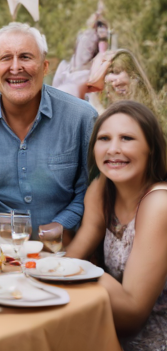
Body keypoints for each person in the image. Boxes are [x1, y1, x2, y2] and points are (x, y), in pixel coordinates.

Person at [0, 22, 98, 238]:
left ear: (45, 67)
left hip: (67, 249)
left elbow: (93, 189)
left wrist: (61, 225)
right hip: (0, 252)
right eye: (5, 58)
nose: (15, 67)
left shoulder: (81, 117)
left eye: (25, 57)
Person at [67, 101, 167, 350]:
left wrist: (83, 272)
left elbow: (133, 316)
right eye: (104, 138)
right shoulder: (101, 190)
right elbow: (71, 260)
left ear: (151, 148)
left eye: (127, 138)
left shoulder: (159, 204)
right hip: (105, 330)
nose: (113, 149)